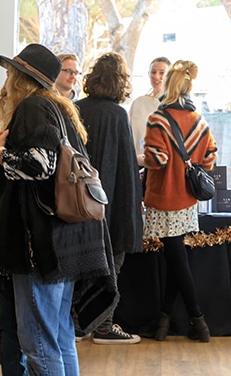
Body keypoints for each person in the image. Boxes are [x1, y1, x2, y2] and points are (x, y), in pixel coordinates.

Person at [0, 43, 114, 376]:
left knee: (38, 343)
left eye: (10, 74)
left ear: (21, 79)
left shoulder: (33, 108)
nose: (5, 82)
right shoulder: (60, 110)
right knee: (59, 338)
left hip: (41, 246)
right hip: (66, 240)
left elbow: (39, 165)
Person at [138, 60, 216, 343]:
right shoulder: (200, 120)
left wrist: (145, 155)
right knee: (175, 257)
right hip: (187, 200)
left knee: (176, 257)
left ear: (169, 86)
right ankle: (163, 319)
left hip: (163, 197)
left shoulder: (158, 119)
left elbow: (156, 160)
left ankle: (198, 321)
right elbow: (209, 160)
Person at [76, 52, 144, 344]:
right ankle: (103, 326)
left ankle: (76, 325)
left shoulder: (75, 109)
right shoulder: (118, 115)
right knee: (110, 265)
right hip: (110, 203)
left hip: (78, 202)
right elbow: (127, 168)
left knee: (77, 263)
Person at [129, 57, 171, 158]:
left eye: (162, 73)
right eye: (153, 72)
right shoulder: (138, 103)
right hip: (138, 160)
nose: (156, 77)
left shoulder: (172, 105)